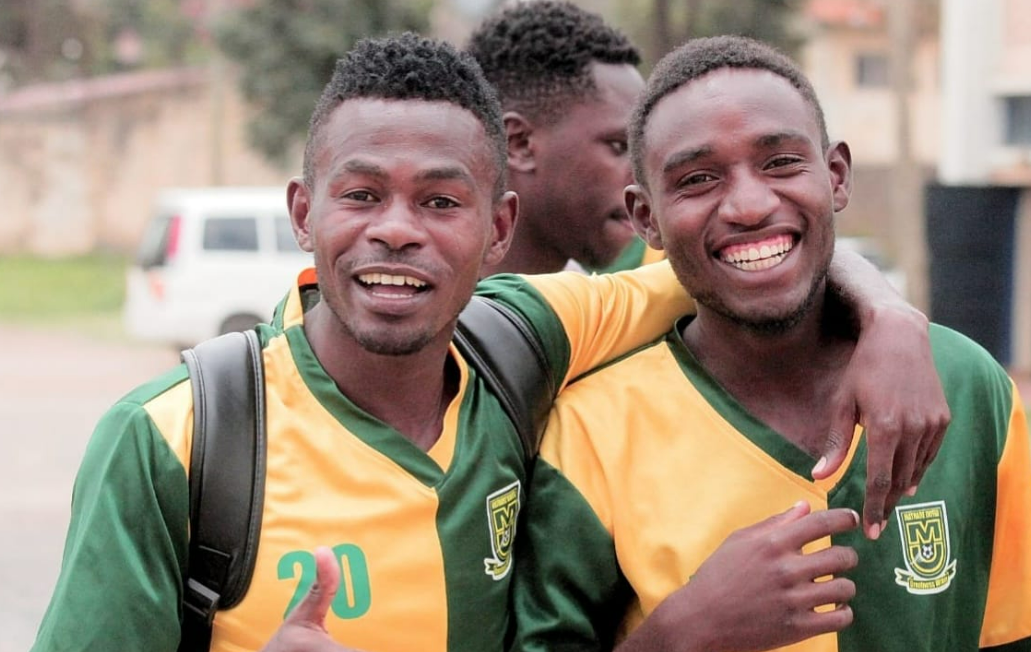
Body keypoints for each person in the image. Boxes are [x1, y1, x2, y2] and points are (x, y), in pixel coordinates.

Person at [32, 33, 944, 652]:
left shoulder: (522, 346)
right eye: (360, 196)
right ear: (303, 214)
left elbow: (740, 255)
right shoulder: (180, 439)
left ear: (499, 229)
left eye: (439, 200)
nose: (397, 230)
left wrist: (892, 320)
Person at [511, 35, 1031, 652]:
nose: (751, 205)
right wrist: (682, 634)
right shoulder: (591, 431)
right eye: (698, 179)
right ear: (645, 217)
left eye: (781, 162)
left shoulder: (967, 385)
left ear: (835, 175)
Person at [467, 0, 948, 533]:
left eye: (779, 163)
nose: (746, 206)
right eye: (613, 146)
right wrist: (884, 307)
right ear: (519, 144)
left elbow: (767, 260)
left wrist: (888, 313)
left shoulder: (632, 276)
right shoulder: (531, 319)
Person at [466, 0, 661, 276]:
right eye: (619, 147)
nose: (645, 177)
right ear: (518, 143)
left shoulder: (600, 309)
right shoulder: (422, 309)